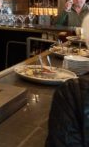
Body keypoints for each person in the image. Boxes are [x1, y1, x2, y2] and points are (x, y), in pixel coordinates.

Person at [46, 14, 89, 146]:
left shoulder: (72, 93)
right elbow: (58, 23)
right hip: (69, 37)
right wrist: (65, 11)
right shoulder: (68, 11)